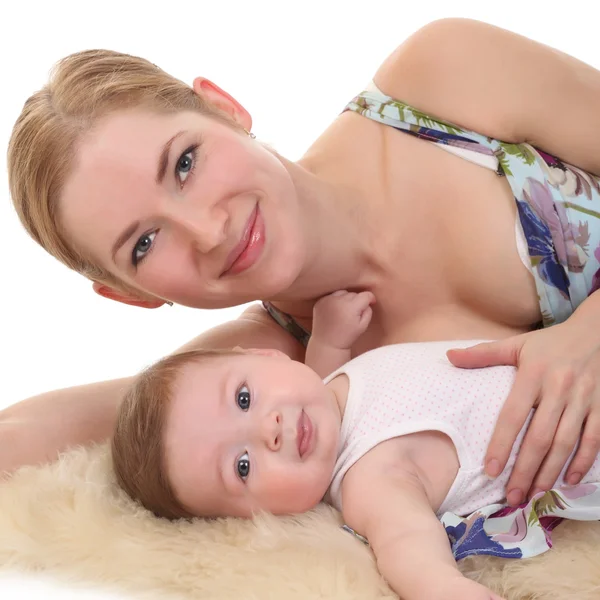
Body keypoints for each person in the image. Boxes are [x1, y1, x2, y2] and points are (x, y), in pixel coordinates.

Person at [5, 18, 600, 510]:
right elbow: (32, 436)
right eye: (144, 244)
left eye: (185, 163)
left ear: (224, 107)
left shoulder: (438, 85)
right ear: (133, 295)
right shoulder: (274, 371)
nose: (209, 232)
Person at [111, 289, 600, 600]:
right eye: (242, 466)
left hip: (570, 366)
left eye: (244, 397)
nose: (270, 430)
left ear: (261, 355)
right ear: (254, 516)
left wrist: (329, 338)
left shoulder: (325, 391)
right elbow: (405, 541)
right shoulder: (369, 479)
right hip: (580, 434)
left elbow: (319, 378)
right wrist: (443, 589)